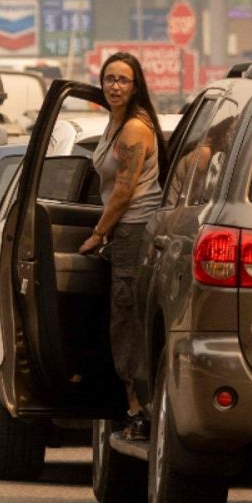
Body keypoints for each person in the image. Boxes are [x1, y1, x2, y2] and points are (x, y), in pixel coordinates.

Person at [80, 52, 164, 439]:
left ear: (136, 86)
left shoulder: (134, 129)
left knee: (127, 320)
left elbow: (125, 191)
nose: (115, 86)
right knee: (121, 318)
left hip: (133, 230)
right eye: (109, 79)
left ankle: (139, 410)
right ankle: (133, 404)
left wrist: (99, 233)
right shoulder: (115, 124)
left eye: (123, 80)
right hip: (123, 232)